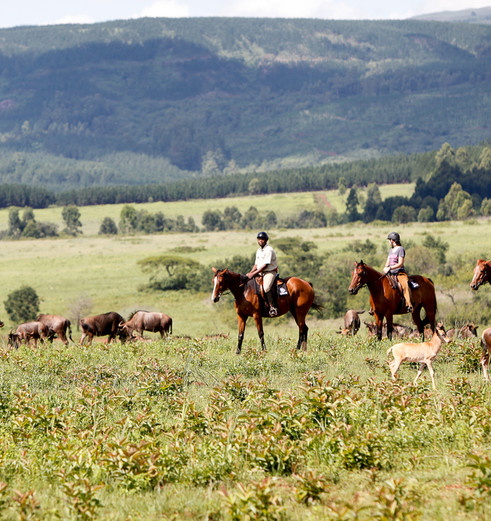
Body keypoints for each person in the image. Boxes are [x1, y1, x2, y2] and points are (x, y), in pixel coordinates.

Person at [247, 231, 279, 316]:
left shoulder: (269, 250)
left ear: (266, 240)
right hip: (261, 272)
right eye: (259, 239)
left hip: (270, 271)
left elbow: (265, 265)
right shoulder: (258, 251)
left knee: (266, 287)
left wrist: (254, 273)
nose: (260, 241)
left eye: (262, 239)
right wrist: (250, 273)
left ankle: (273, 307)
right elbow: (256, 264)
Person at [383, 231, 413, 312]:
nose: (389, 242)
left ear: (393, 240)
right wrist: (385, 268)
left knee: (405, 285)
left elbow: (400, 263)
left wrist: (390, 268)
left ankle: (409, 304)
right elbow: (387, 262)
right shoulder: (390, 250)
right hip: (390, 274)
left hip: (400, 273)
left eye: (389, 240)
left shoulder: (400, 249)